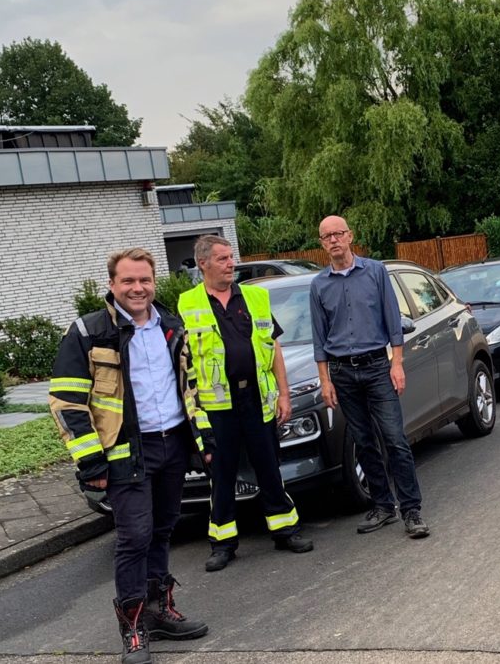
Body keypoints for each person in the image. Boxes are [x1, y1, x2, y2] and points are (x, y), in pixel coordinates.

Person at [49, 247, 211, 664]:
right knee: (134, 536)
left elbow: (190, 387)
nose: (138, 288)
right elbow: (66, 402)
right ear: (112, 285)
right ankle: (134, 624)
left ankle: (159, 611)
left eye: (145, 280)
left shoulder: (171, 325)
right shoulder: (88, 332)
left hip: (172, 443)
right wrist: (91, 461)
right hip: (124, 452)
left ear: (154, 282)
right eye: (128, 281)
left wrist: (202, 441)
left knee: (162, 529)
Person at [178, 235, 313, 573]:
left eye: (231, 257)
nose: (230, 264)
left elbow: (274, 348)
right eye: (223, 259)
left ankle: (285, 530)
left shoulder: (254, 296)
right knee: (221, 476)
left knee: (269, 467)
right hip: (217, 408)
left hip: (257, 399)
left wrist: (284, 394)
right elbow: (183, 365)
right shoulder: (187, 304)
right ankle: (223, 544)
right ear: (203, 264)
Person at [309, 216, 430, 539]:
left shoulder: (375, 272)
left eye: (338, 234)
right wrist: (325, 380)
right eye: (326, 236)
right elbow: (319, 338)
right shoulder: (318, 285)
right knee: (363, 442)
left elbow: (393, 321)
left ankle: (411, 510)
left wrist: (397, 363)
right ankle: (382, 505)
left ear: (350, 236)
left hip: (378, 366)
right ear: (322, 243)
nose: (334, 240)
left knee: (394, 439)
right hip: (342, 373)